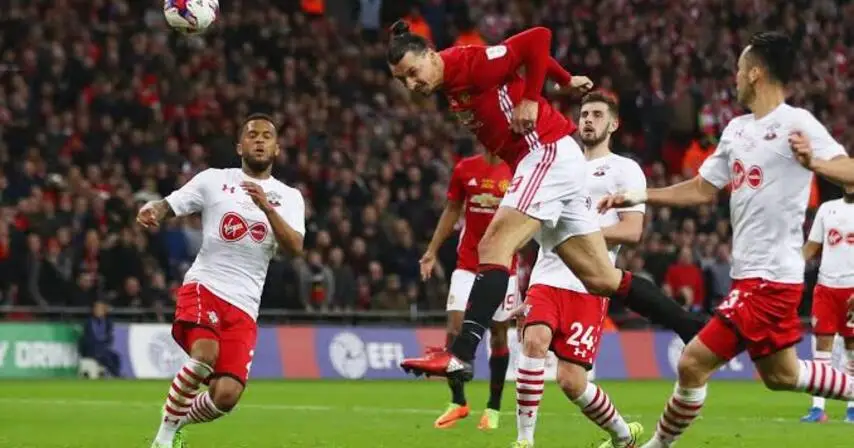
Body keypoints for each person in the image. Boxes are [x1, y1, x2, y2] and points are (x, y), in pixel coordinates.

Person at [387, 21, 705, 380]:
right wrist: (565, 79)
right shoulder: (450, 81)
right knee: (601, 277)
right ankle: (693, 327)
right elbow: (522, 58)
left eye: (412, 72)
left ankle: (461, 355)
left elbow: (537, 38)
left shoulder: (471, 64)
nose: (411, 84)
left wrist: (529, 98)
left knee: (493, 245)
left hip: (544, 152)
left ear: (430, 55)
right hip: (556, 160)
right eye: (402, 80)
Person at [598, 32, 854, 447]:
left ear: (755, 73)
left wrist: (815, 162)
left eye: (739, 69)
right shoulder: (736, 130)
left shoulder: (796, 122)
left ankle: (656, 446)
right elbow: (702, 189)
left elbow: (850, 170)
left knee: (692, 363)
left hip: (771, 278)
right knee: (782, 375)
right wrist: (641, 195)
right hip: (748, 274)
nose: (734, 77)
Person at [138, 113, 306, 448]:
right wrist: (153, 209)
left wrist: (267, 208)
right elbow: (170, 203)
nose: (259, 141)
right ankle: (163, 439)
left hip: (245, 305)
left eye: (267, 136)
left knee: (226, 395)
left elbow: (294, 248)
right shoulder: (214, 180)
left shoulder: (289, 197)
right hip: (206, 285)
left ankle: (177, 417)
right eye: (252, 135)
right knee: (205, 353)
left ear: (277, 149)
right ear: (240, 146)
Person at [512, 91, 646, 448]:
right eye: (584, 114)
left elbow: (632, 231)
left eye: (597, 115)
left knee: (571, 381)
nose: (588, 120)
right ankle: (524, 440)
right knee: (534, 341)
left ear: (614, 124)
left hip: (590, 283)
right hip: (546, 275)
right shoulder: (558, 163)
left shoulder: (626, 169)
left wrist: (581, 235)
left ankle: (623, 435)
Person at [419, 150, 517, 430]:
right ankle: (458, 402)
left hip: (503, 265)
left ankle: (493, 407)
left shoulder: (516, 169)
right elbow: (452, 210)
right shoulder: (465, 168)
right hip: (468, 264)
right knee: (454, 328)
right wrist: (432, 251)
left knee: (498, 335)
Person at [800, 186, 854, 423]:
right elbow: (812, 246)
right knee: (822, 348)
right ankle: (817, 408)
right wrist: (791, 266)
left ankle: (852, 408)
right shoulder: (827, 208)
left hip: (852, 289)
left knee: (852, 350)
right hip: (826, 288)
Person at [79, 300, 121, 377]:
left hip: (103, 348)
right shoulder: (89, 322)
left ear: (104, 311)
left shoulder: (107, 322)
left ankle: (116, 375)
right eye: (96, 309)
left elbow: (109, 337)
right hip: (91, 349)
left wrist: (104, 345)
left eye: (100, 309)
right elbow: (86, 339)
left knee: (116, 356)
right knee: (105, 357)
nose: (98, 311)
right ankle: (117, 375)